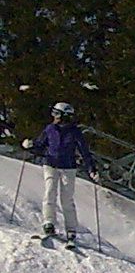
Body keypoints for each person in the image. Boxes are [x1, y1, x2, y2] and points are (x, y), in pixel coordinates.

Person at [23, 101, 96, 243]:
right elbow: (40, 144)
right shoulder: (50, 129)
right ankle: (49, 223)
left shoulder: (74, 132)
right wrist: (30, 145)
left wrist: (91, 168)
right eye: (54, 113)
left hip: (68, 168)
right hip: (50, 165)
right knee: (49, 192)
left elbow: (84, 151)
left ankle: (71, 229)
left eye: (57, 114)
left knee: (66, 198)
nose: (54, 116)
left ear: (65, 116)